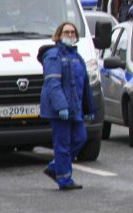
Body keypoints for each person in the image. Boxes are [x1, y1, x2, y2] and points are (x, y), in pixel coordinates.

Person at [39, 22, 97, 190]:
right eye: (66, 32)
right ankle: (64, 179)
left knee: (80, 138)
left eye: (72, 32)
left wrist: (89, 109)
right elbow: (53, 84)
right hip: (61, 111)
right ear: (59, 34)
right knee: (63, 144)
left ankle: (55, 167)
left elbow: (84, 85)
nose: (70, 35)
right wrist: (60, 106)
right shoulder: (53, 55)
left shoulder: (77, 57)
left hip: (75, 109)